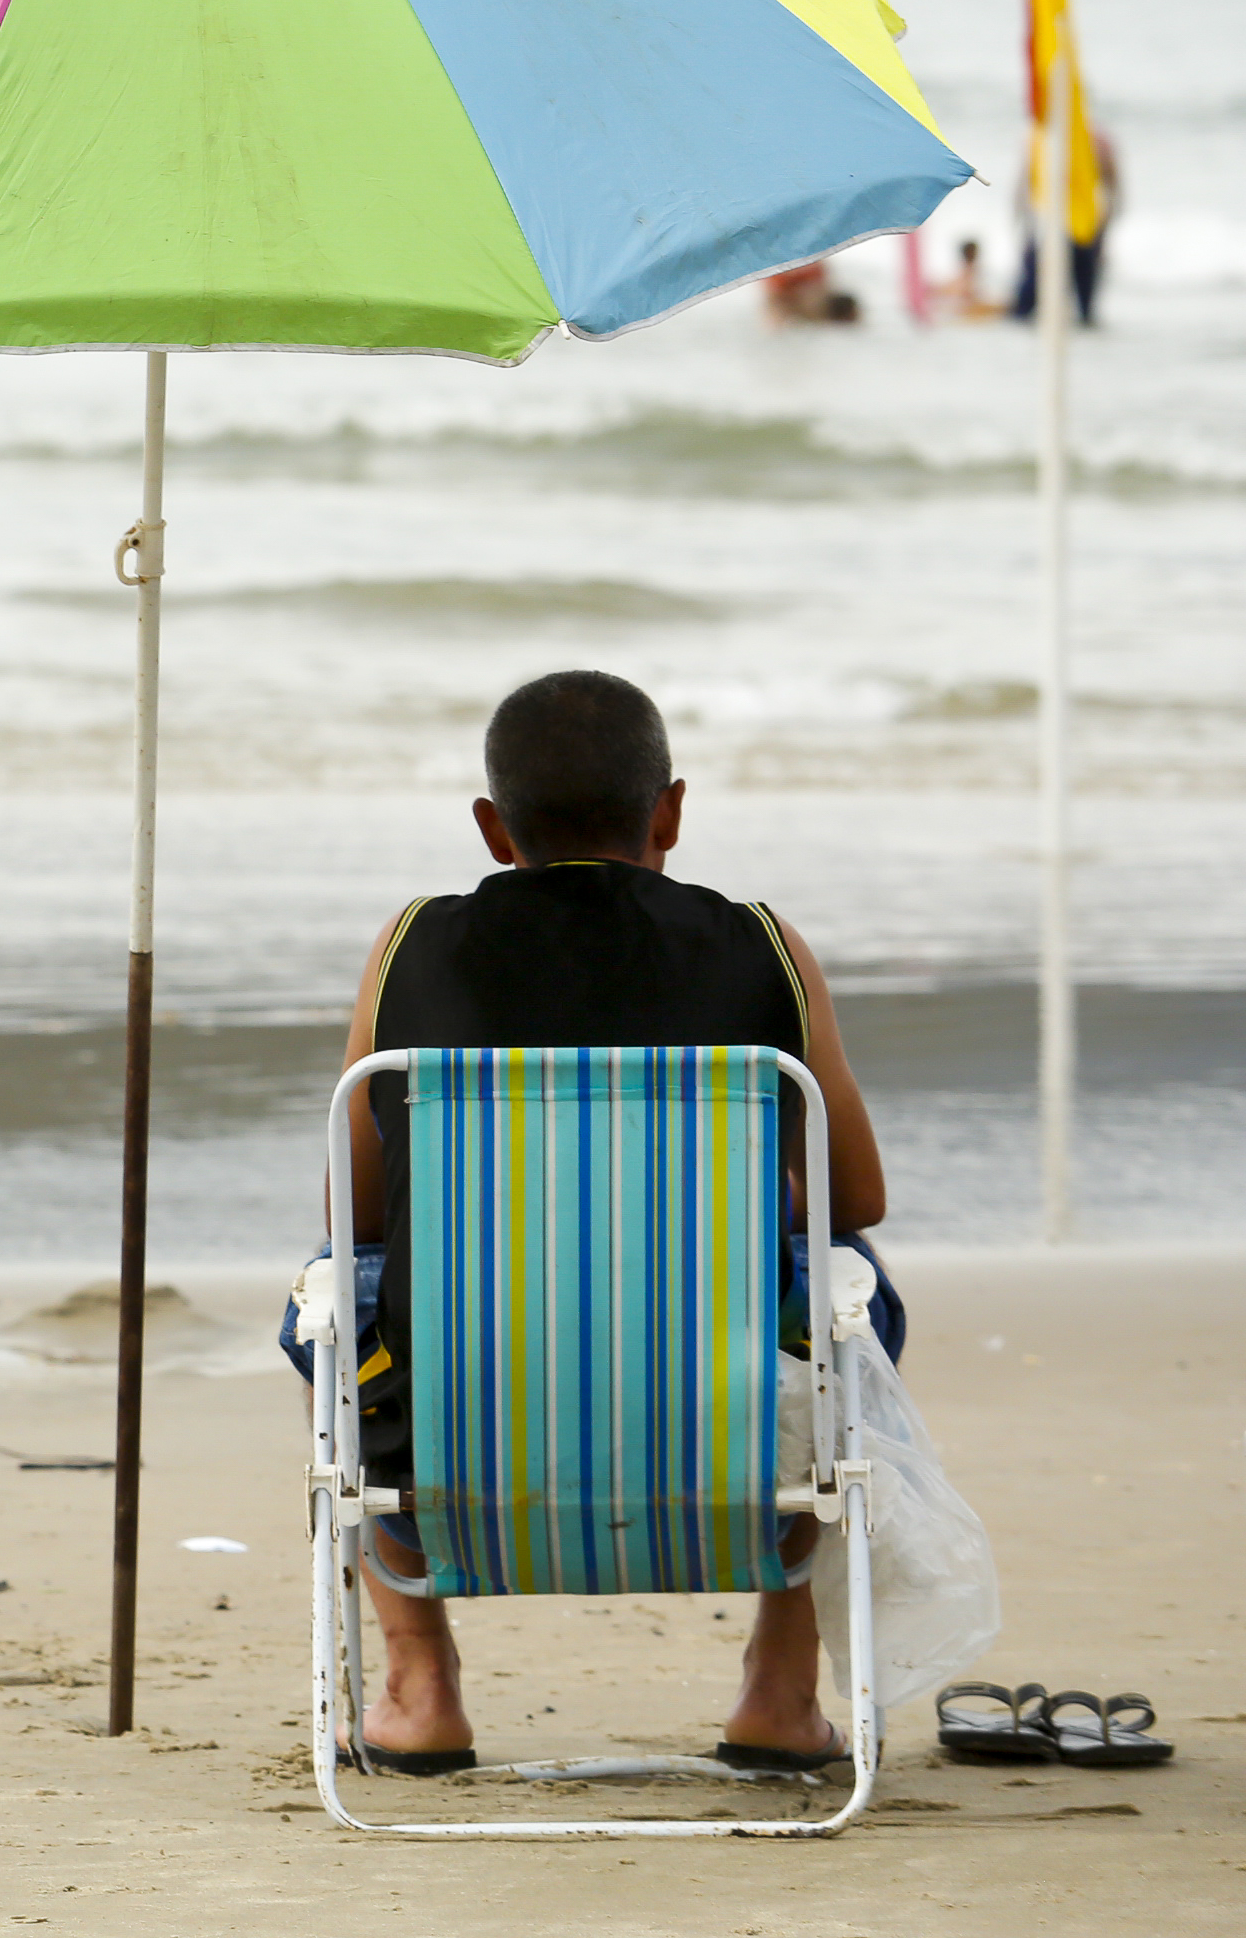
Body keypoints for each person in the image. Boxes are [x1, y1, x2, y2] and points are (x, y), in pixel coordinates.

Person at [325, 669, 891, 1776]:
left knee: (326, 1297)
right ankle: (781, 1690)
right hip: (716, 1411)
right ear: (669, 812)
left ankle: (419, 1685)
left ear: (494, 830)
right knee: (855, 1275)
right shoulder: (762, 943)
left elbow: (356, 1209)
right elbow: (853, 1198)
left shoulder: (413, 945)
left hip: (460, 1408)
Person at [1010, 127, 1118, 327]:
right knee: (1029, 301)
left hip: (1082, 225)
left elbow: (1111, 186)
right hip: (1052, 223)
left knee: (1083, 305)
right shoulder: (1040, 138)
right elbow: (1025, 183)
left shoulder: (1097, 140)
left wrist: (1105, 227)